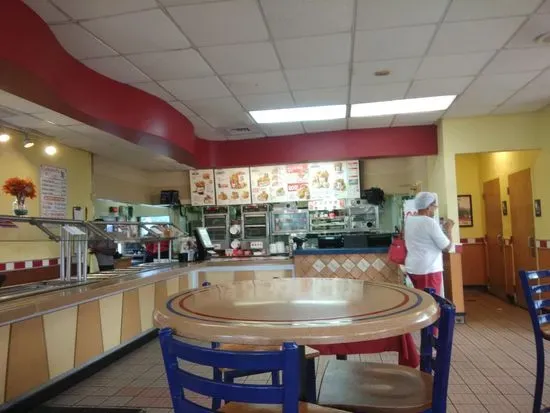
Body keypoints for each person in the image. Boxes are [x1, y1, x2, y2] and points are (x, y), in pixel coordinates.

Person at [404, 192, 454, 295]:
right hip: (428, 270)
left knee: (419, 298)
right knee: (432, 301)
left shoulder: (409, 220)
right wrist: (448, 230)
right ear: (428, 207)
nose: (435, 208)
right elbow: (447, 247)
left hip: (413, 268)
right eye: (434, 206)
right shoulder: (429, 222)